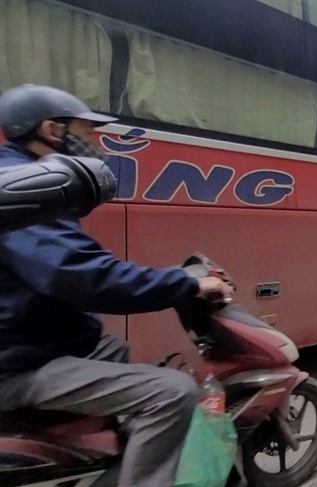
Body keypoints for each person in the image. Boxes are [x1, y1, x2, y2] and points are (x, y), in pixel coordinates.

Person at [0, 84, 235, 487]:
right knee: (174, 393)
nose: (95, 145)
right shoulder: (24, 188)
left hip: (31, 342)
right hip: (19, 364)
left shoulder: (26, 176)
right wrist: (185, 284)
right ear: (52, 130)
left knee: (113, 348)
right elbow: (84, 276)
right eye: (87, 134)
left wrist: (172, 280)